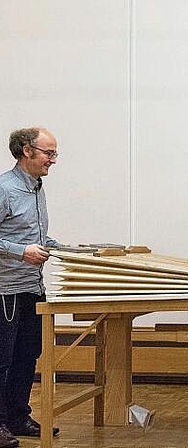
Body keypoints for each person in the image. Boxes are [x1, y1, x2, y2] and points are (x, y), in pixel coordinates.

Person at [0, 128, 61, 447]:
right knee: (3, 358)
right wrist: (20, 252)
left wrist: (63, 248)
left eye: (54, 153)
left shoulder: (37, 187)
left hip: (32, 288)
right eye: (49, 153)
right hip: (5, 290)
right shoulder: (4, 188)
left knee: (28, 355)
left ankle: (17, 417)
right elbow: (16, 243)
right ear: (27, 151)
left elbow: (32, 236)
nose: (53, 160)